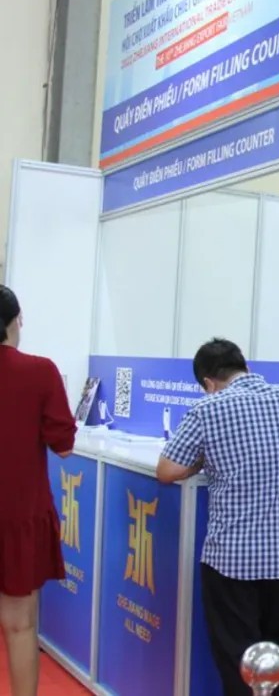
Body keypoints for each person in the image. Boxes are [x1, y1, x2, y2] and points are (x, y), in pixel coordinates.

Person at [157, 339, 279, 696]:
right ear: (245, 367)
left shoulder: (208, 409)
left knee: (239, 655)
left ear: (208, 382)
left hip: (233, 558)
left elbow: (167, 471)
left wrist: (204, 460)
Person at [0, 286, 77, 696]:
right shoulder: (39, 371)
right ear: (17, 320)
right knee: (20, 625)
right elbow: (63, 445)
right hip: (18, 516)